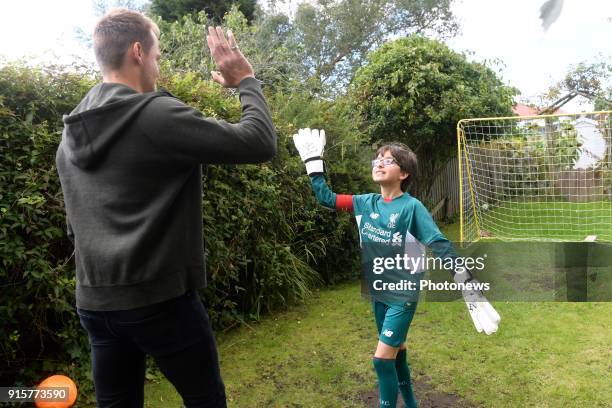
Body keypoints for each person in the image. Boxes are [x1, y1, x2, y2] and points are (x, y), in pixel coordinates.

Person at [56, 8, 276, 408]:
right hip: (158, 302)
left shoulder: (72, 131)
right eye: (156, 56)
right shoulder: (155, 115)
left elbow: (76, 225)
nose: (157, 67)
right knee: (206, 400)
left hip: (94, 302)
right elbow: (259, 141)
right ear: (138, 51)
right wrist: (245, 80)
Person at [292, 129, 500, 408]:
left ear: (404, 173)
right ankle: (411, 404)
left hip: (402, 294)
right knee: (397, 352)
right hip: (378, 292)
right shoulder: (365, 203)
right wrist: (313, 162)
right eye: (377, 159)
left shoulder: (411, 207)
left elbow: (438, 243)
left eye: (388, 160)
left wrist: (465, 280)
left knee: (381, 360)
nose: (379, 163)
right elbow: (326, 198)